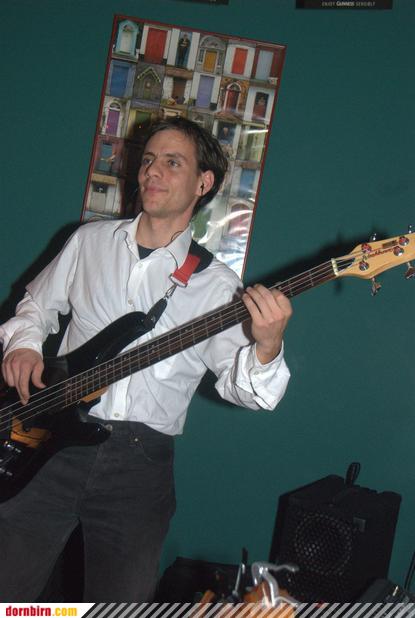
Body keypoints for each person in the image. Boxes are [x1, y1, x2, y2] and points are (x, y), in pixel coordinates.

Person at [0, 117, 292, 602]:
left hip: (138, 466)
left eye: (172, 163)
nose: (152, 171)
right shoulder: (90, 241)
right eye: (149, 159)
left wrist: (267, 346)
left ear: (203, 183)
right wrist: (24, 344)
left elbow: (246, 389)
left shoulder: (217, 286)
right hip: (51, 443)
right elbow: (35, 306)